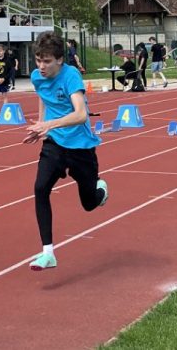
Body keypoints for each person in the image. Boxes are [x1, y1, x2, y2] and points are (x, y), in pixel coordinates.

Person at [22, 31, 108, 271]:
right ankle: (48, 253)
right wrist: (41, 128)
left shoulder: (71, 76)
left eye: (47, 61)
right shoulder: (37, 77)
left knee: (89, 204)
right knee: (40, 189)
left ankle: (100, 190)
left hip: (80, 146)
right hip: (55, 143)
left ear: (60, 59)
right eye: (38, 60)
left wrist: (48, 124)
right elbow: (43, 96)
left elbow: (81, 115)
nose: (41, 66)